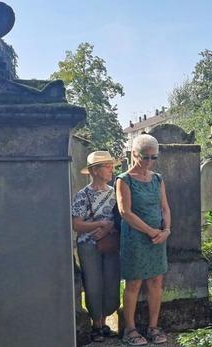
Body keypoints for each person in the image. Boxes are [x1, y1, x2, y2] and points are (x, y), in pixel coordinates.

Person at [116, 134, 171, 345]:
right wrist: (150, 231)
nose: (149, 161)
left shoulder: (157, 179)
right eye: (144, 157)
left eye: (153, 157)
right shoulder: (124, 180)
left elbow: (164, 207)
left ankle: (153, 327)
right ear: (134, 154)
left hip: (158, 237)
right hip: (136, 238)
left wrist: (166, 230)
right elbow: (125, 212)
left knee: (156, 281)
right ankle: (129, 330)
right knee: (134, 283)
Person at [71, 151, 121, 343]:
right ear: (95, 171)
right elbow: (77, 224)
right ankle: (96, 325)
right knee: (93, 284)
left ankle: (105, 320)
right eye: (107, 166)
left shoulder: (115, 192)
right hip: (88, 246)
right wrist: (100, 225)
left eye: (111, 166)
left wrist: (109, 228)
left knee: (111, 282)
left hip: (110, 243)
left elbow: (120, 219)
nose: (111, 169)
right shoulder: (82, 196)